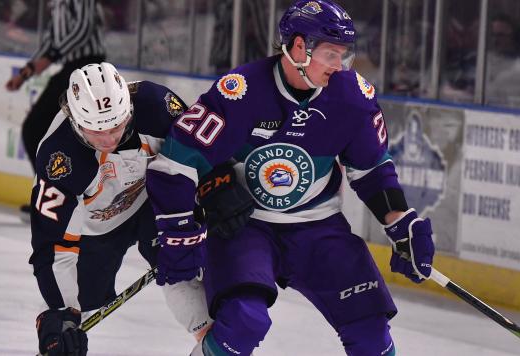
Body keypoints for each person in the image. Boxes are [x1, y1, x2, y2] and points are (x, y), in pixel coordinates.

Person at [146, 1, 436, 355]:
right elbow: (175, 164)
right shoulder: (240, 92)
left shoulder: (352, 98)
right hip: (247, 227)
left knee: (371, 330)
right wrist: (178, 229)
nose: (340, 66)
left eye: (344, 55)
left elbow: (372, 168)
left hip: (318, 228)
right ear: (299, 46)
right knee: (243, 321)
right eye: (331, 54)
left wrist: (400, 220)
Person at [29, 62, 252, 355]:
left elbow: (201, 148)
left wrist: (217, 180)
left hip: (157, 202)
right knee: (74, 317)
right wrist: (59, 313)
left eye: (117, 127)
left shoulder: (156, 105)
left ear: (129, 110)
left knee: (181, 270)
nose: (109, 139)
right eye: (96, 133)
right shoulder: (58, 158)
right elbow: (52, 247)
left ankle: (210, 344)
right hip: (98, 227)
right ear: (74, 121)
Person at [5, 0, 107, 217]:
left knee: (39, 129)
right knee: (39, 131)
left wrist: (53, 55)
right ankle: (53, 196)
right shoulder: (56, 4)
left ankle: (60, 198)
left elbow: (82, 29)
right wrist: (25, 73)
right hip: (71, 68)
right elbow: (51, 41)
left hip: (88, 67)